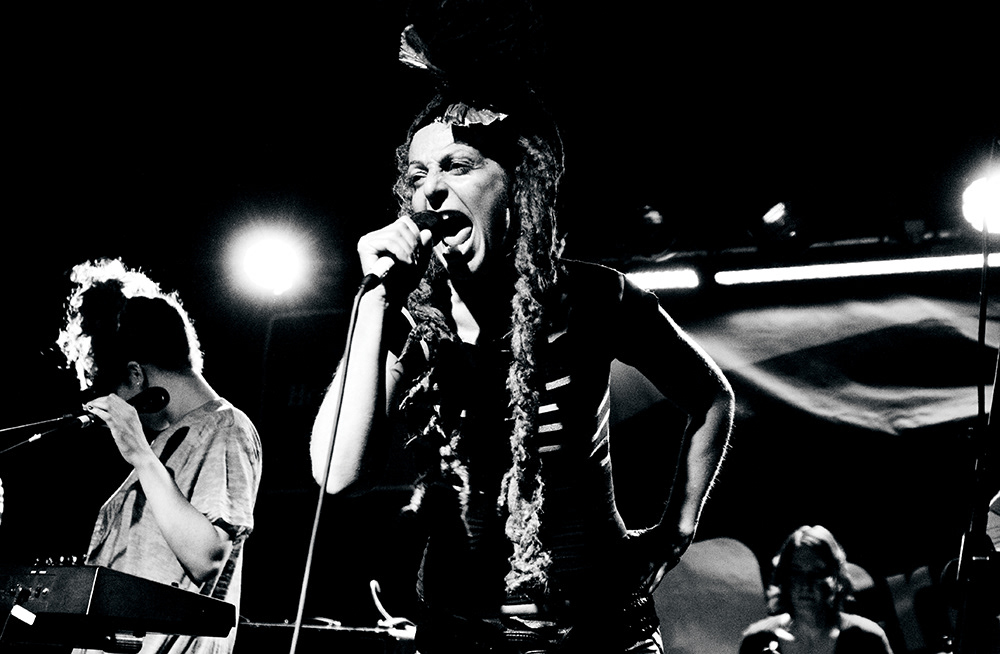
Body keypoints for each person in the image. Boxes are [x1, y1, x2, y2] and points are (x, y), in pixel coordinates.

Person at [309, 8, 734, 653]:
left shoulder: (594, 297)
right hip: (460, 635)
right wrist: (375, 302)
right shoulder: (409, 317)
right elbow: (338, 474)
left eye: (458, 166)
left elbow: (710, 398)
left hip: (596, 630)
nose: (431, 191)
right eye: (418, 176)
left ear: (516, 185)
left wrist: (677, 529)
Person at [55, 258, 262, 654]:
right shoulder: (168, 446)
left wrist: (142, 457)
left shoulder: (225, 427)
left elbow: (206, 557)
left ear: (136, 375)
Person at [738, 525, 894, 653]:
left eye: (817, 573)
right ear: (784, 577)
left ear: (837, 579)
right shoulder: (757, 642)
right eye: (796, 573)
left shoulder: (867, 639)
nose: (806, 584)